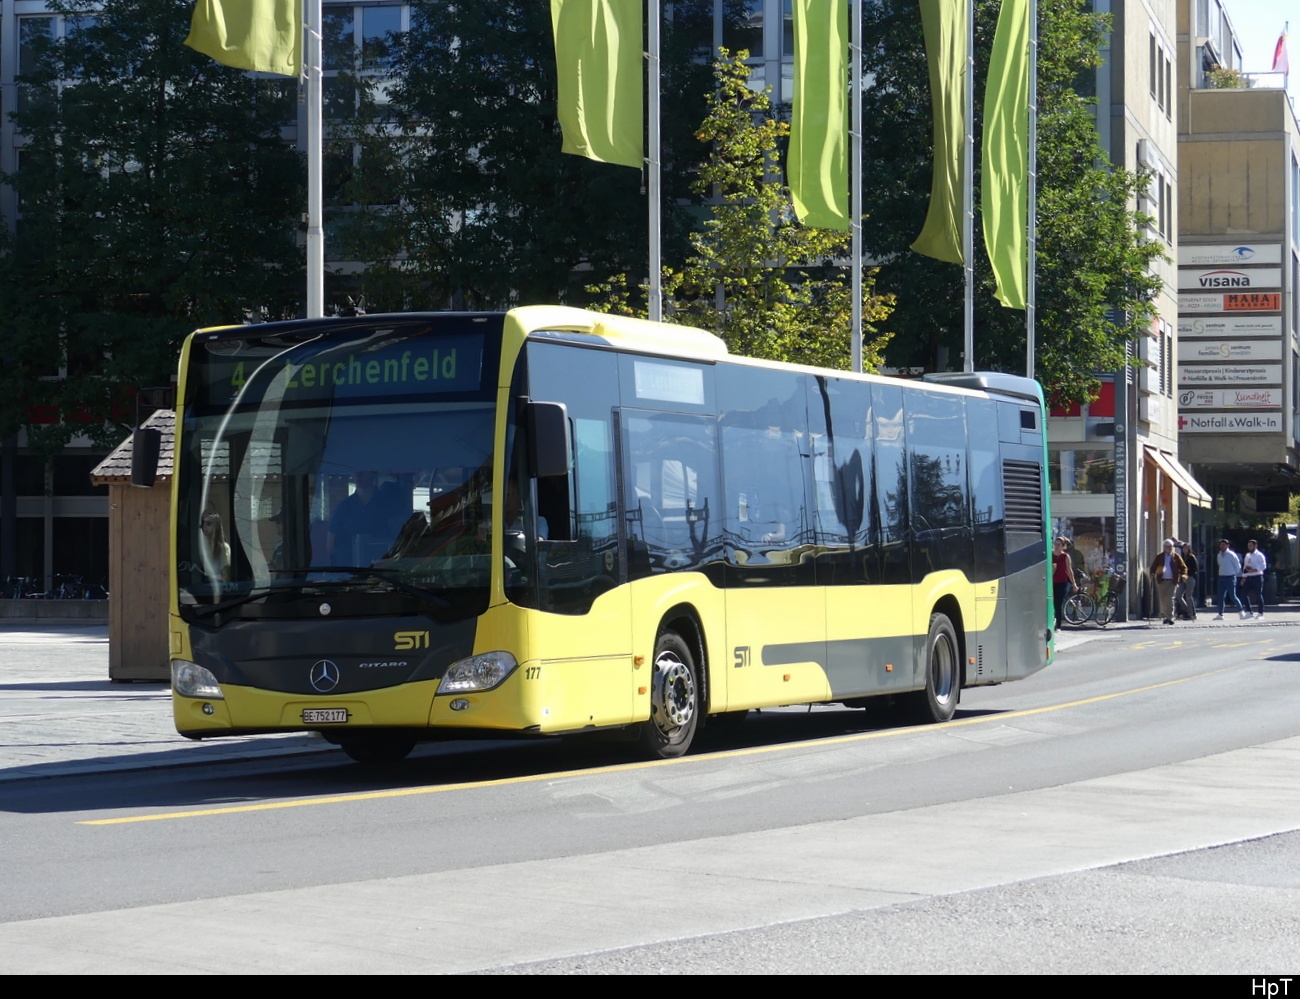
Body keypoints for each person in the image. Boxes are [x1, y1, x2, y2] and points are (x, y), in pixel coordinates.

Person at [1148, 539, 1186, 626]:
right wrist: (1152, 573)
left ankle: (1170, 617)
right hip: (1161, 581)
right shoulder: (1160, 556)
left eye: (1171, 547)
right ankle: (1165, 616)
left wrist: (1184, 575)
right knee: (1163, 599)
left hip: (1172, 581)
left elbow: (1183, 567)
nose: (1169, 548)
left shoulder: (1176, 556)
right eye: (1167, 547)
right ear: (1164, 548)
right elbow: (1153, 567)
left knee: (1170, 598)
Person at [1214, 538, 1247, 620]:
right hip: (1222, 577)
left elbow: (1238, 566)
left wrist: (1233, 573)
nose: (1222, 546)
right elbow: (1219, 565)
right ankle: (1220, 614)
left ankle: (1241, 612)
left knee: (1233, 596)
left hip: (1230, 577)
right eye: (1221, 545)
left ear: (1227, 546)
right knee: (1221, 596)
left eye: (1224, 545)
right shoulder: (1219, 555)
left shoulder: (1232, 554)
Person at [199, 512, 231, 583]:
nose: (204, 527)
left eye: (208, 524)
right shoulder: (199, 546)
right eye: (203, 523)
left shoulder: (223, 547)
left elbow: (226, 576)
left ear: (216, 526)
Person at [1241, 538, 1267, 619]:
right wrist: (1243, 577)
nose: (1249, 547)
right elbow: (1245, 567)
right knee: (1244, 594)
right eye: (1248, 546)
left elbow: (1263, 566)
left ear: (1255, 546)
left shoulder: (1260, 555)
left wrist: (1255, 569)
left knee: (1258, 595)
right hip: (1249, 577)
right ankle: (1249, 612)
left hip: (1257, 577)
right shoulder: (1247, 555)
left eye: (1251, 546)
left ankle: (1260, 613)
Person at [1052, 536, 1074, 629]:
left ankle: (1058, 626)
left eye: (1058, 545)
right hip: (1051, 582)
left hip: (1061, 582)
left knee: (1058, 603)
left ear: (1063, 546)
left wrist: (1074, 584)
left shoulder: (1065, 556)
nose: (1056, 546)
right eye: (1055, 544)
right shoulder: (1050, 555)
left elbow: (1069, 570)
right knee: (1050, 603)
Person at [1177, 541, 1199, 620]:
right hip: (1182, 579)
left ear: (1189, 549)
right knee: (1178, 596)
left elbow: (1195, 569)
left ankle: (1192, 613)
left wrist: (1187, 574)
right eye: (1183, 548)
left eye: (1186, 548)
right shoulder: (1182, 557)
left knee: (1188, 596)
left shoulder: (1191, 557)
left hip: (1190, 578)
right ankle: (1187, 611)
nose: (1184, 549)